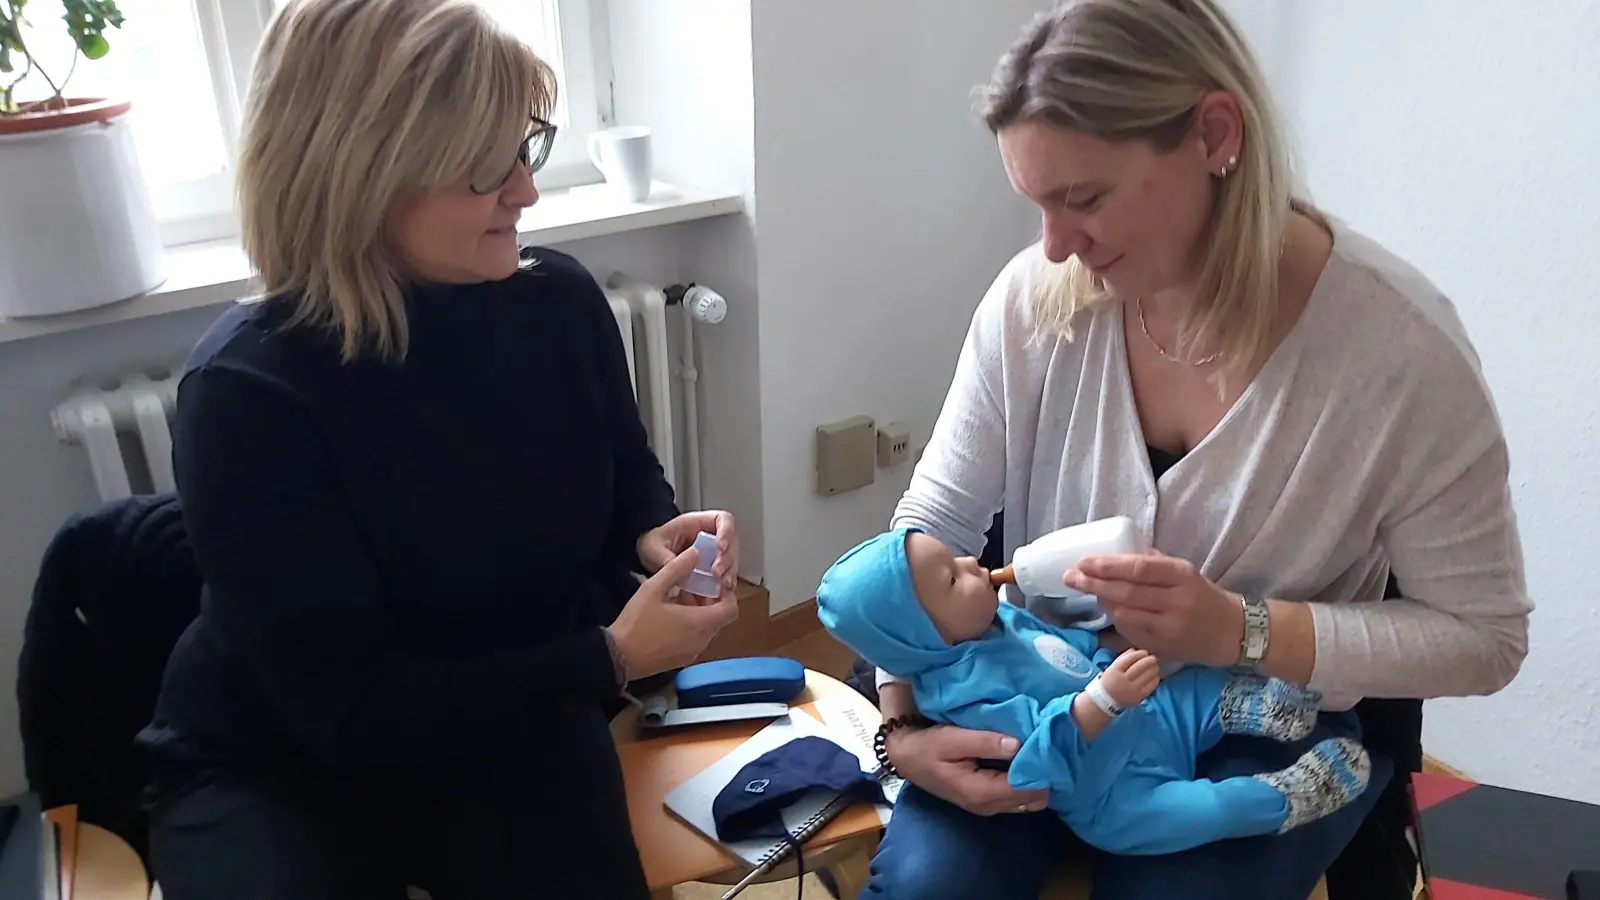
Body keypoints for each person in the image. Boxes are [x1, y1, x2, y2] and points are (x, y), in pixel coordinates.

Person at [863, 1, 1533, 898]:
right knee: (928, 888)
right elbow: (927, 530)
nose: (1055, 247)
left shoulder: (1400, 357)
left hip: (1256, 720)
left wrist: (1243, 629)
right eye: (1037, 206)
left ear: (1215, 134)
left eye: (1084, 199)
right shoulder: (1035, 302)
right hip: (1038, 696)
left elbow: (1487, 640)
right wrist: (902, 730)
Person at [134, 0, 741, 896]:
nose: (526, 193)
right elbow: (353, 713)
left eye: (524, 151)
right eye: (485, 172)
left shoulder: (558, 302)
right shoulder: (246, 394)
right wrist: (610, 657)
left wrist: (654, 532)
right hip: (289, 758)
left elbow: (624, 476)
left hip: (514, 704)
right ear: (362, 174)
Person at [817, 527, 1371, 854]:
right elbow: (1033, 759)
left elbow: (1067, 653)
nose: (972, 563)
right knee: (1202, 812)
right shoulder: (959, 695)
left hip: (1147, 717)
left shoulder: (1003, 620)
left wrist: (1108, 656)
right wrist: (1101, 699)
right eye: (952, 579)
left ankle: (1254, 705)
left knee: (1200, 684)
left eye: (956, 556)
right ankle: (1285, 796)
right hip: (1112, 792)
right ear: (922, 636)